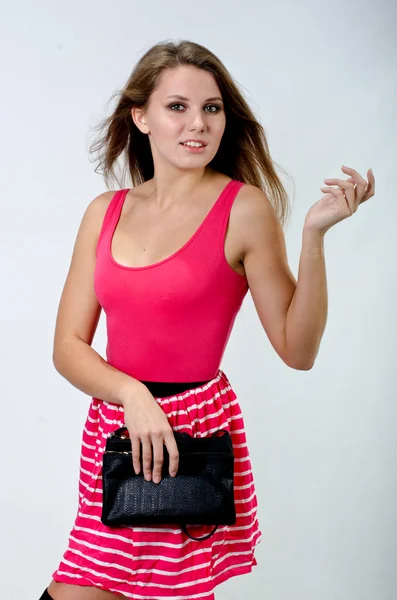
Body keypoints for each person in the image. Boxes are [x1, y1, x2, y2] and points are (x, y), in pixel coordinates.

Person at [39, 39, 375, 600]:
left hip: (191, 438)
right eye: (178, 107)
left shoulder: (244, 209)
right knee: (81, 583)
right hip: (116, 432)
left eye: (212, 108)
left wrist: (313, 238)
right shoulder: (105, 213)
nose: (198, 123)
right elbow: (68, 347)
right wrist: (132, 395)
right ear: (140, 116)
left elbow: (298, 350)